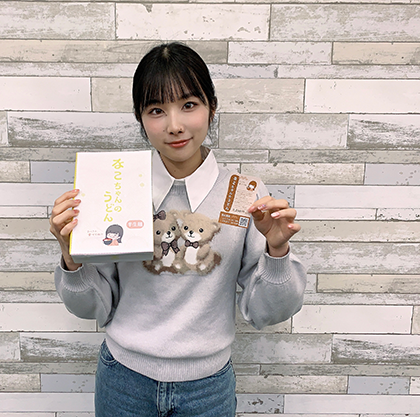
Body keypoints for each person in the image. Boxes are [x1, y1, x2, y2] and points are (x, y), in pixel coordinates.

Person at [49, 42, 307, 417]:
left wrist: (277, 252)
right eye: (156, 110)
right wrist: (71, 256)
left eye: (189, 104)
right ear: (140, 118)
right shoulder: (115, 191)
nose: (174, 125)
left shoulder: (245, 195)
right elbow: (92, 305)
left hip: (208, 388)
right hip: (124, 380)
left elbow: (267, 311)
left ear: (211, 107)